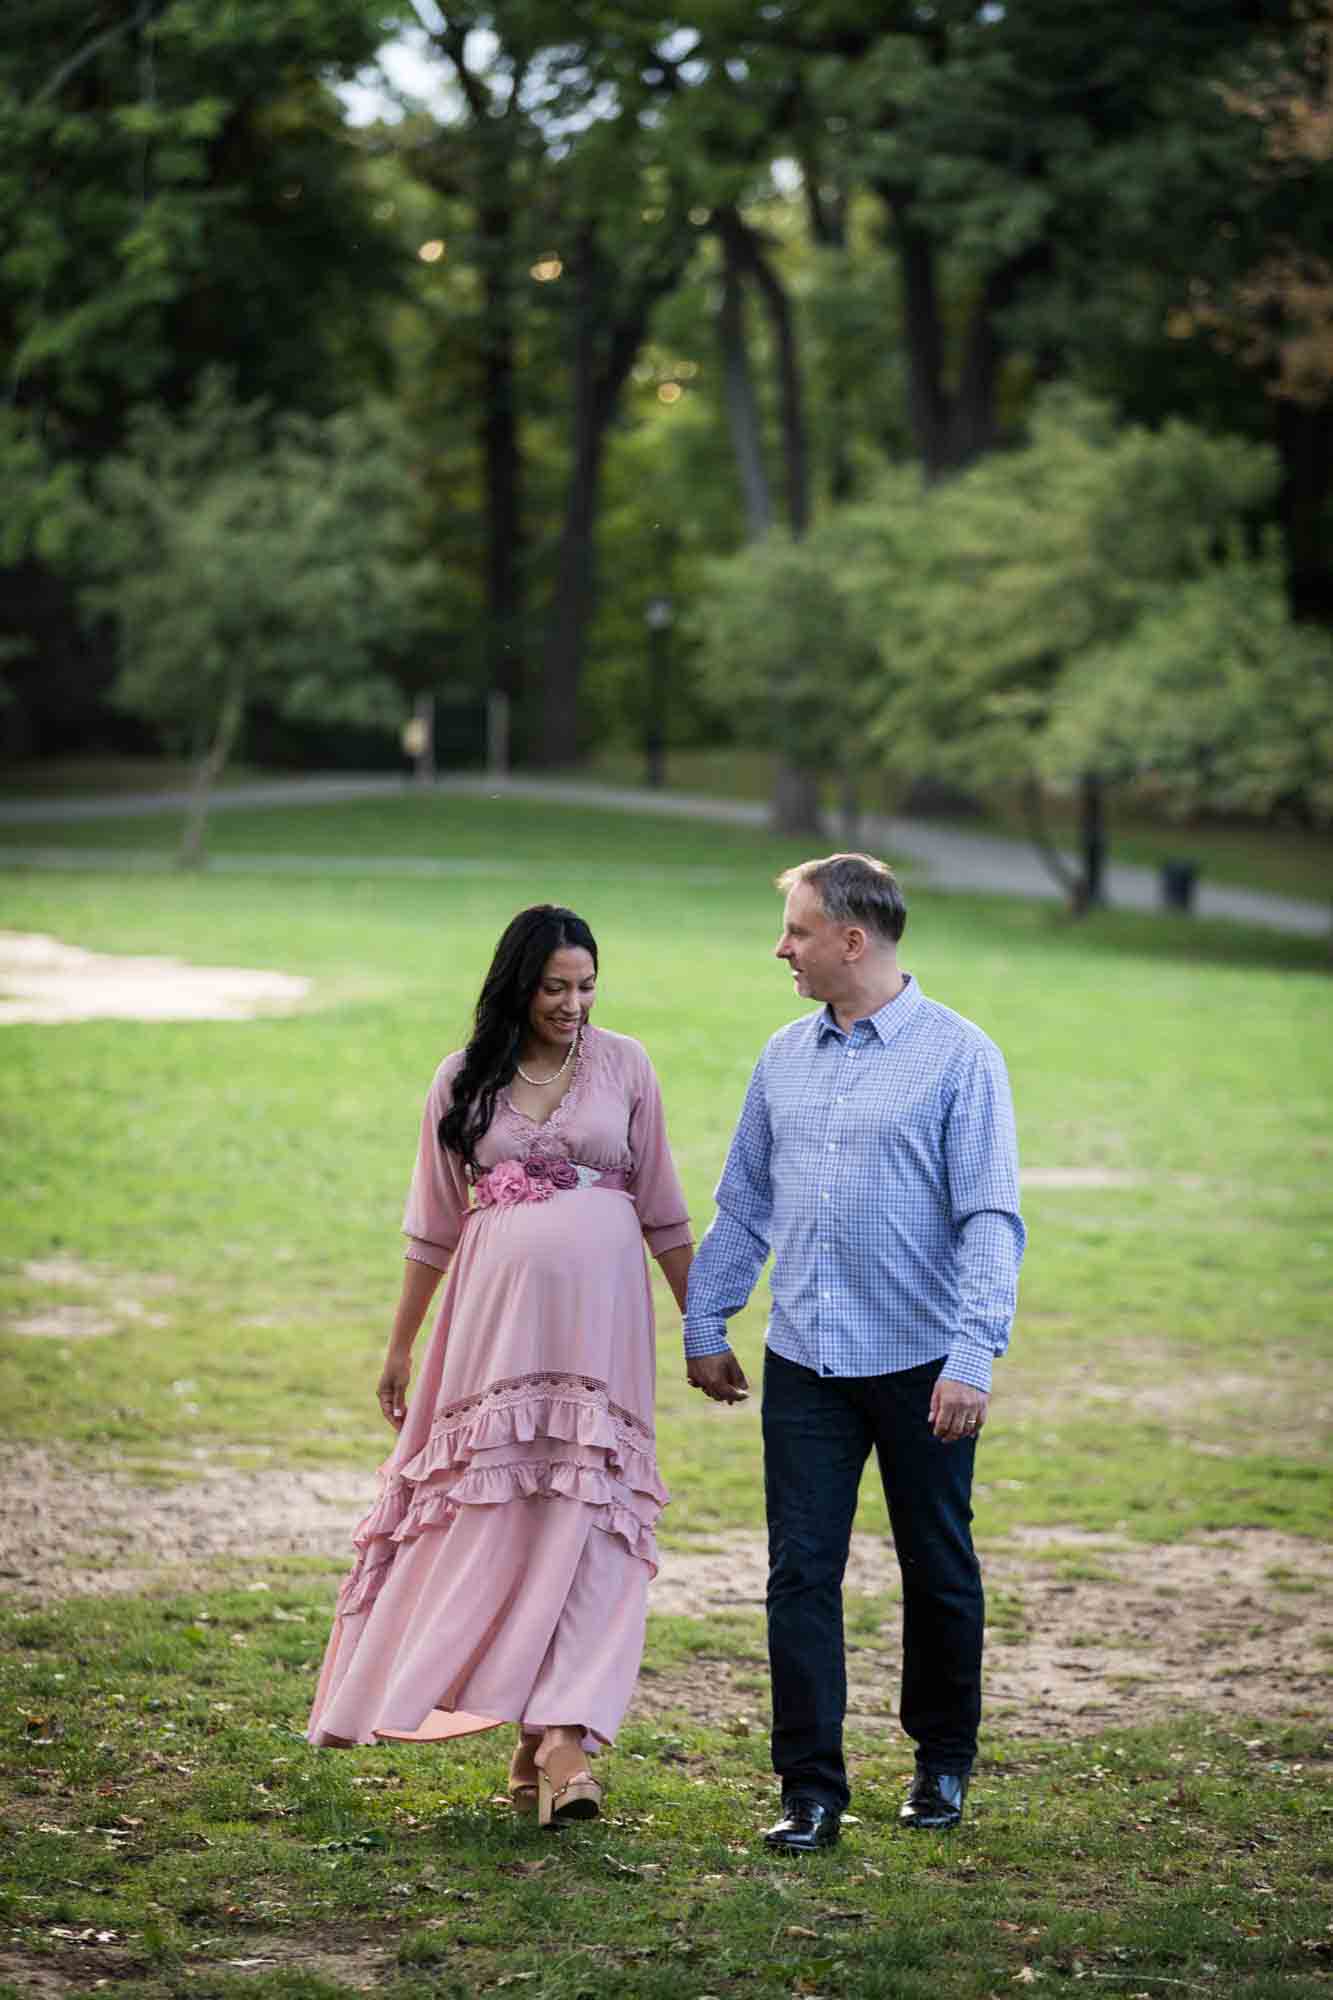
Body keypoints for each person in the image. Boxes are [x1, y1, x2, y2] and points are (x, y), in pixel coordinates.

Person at [308, 905, 692, 1828]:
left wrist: (703, 1328)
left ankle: (563, 1738)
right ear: (517, 986)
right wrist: (400, 1345)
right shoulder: (461, 1080)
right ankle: (540, 1743)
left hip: (602, 1338)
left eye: (587, 986)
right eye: (556, 987)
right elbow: (431, 1225)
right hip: (493, 1339)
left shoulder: (628, 1066)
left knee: (590, 1513)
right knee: (505, 1515)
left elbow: (665, 1210)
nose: (574, 1004)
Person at [683, 854, 1024, 1853]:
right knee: (798, 1571)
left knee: (937, 1564)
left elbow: (991, 1221)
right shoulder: (782, 1056)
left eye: (794, 929)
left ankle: (941, 1761)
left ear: (851, 938)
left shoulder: (962, 1057)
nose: (779, 947)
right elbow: (743, 1204)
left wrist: (973, 1351)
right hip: (805, 1361)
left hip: (923, 1362)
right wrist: (708, 1322)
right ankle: (811, 1789)